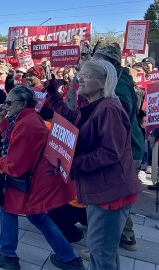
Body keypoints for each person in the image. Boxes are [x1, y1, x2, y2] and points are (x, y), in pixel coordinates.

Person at [46, 60, 141, 270]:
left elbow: (110, 153)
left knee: (100, 251)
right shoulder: (95, 106)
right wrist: (54, 95)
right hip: (100, 188)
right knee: (101, 250)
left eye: (86, 76)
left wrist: (72, 164)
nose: (79, 79)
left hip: (110, 192)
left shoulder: (109, 109)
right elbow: (72, 119)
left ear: (102, 82)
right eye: (80, 74)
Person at [0, 86, 83, 270]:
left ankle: (7, 255)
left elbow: (16, 165)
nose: (5, 105)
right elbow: (11, 138)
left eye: (9, 102)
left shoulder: (27, 123)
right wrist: (1, 118)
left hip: (30, 180)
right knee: (37, 217)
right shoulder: (26, 117)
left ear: (22, 104)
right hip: (36, 178)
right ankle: (69, 258)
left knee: (8, 208)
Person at [92, 45, 144, 251]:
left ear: (108, 65)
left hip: (124, 151)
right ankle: (126, 237)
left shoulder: (119, 86)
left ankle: (104, 246)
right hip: (126, 149)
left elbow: (114, 122)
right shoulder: (117, 81)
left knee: (112, 200)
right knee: (117, 198)